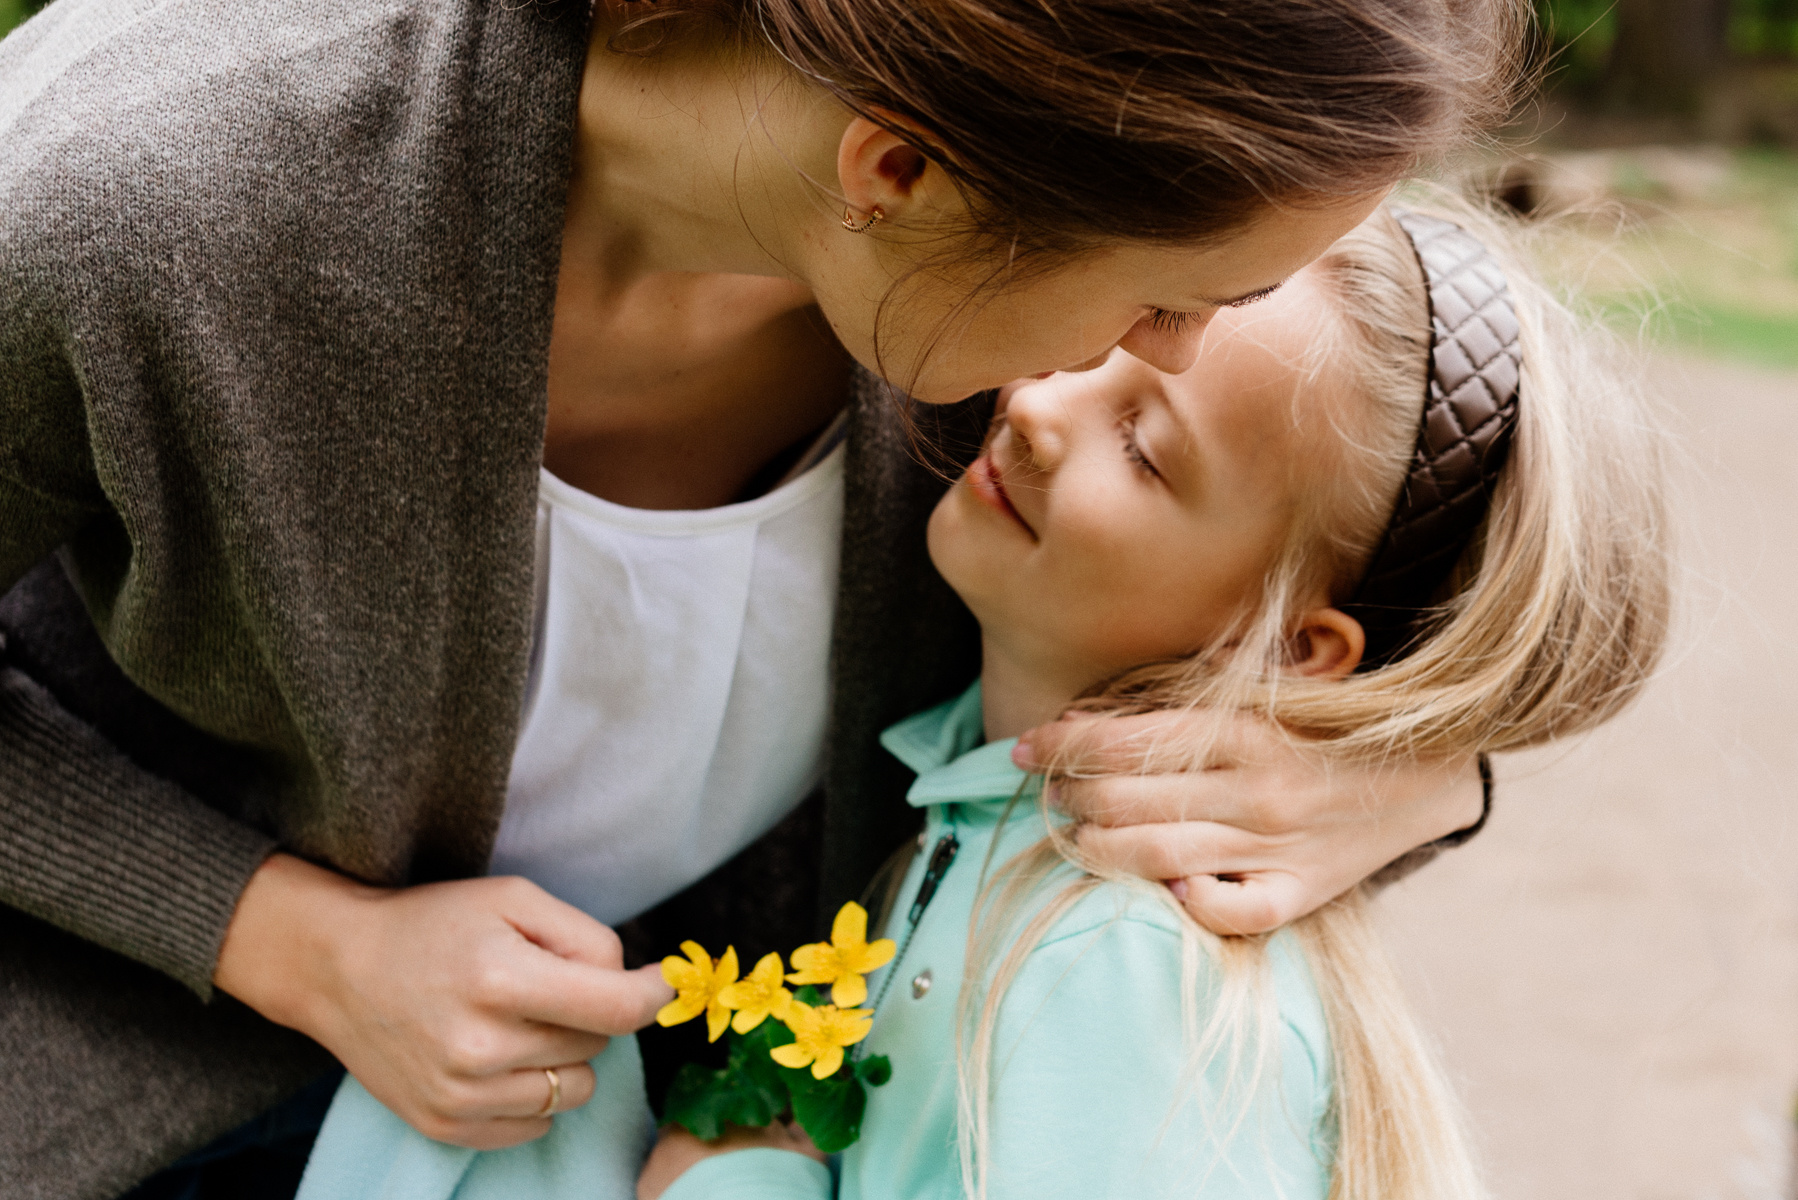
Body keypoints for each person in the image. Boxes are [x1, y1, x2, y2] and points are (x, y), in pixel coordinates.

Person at [0, 0, 1521, 1195]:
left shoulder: (1003, 223)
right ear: (898, 174)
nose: (1172, 355)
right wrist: (287, 941)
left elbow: (1463, 471)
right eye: (1166, 300)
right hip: (144, 1106)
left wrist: (1412, 759)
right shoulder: (128, 199)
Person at [292, 202, 1672, 1200]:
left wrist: (736, 1175)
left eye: (1146, 450)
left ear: (1302, 649)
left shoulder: (1118, 966)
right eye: (1111, 340)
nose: (1035, 405)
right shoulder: (981, 795)